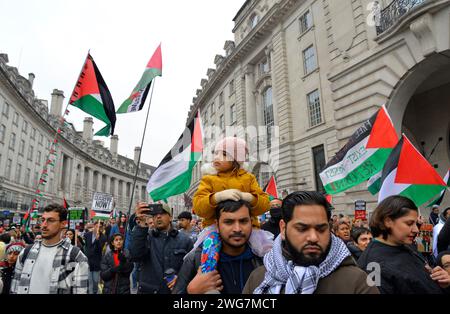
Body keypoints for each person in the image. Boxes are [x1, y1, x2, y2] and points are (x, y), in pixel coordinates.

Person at [244, 191, 379, 294]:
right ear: (283, 229)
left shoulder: (357, 282)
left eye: (321, 229)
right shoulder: (258, 279)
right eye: (302, 229)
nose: (313, 237)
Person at [193, 137, 271, 272]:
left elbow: (265, 205)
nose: (216, 157)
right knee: (206, 259)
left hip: (249, 230)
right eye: (215, 153)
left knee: (266, 259)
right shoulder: (208, 179)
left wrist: (250, 198)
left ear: (235, 159)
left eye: (223, 154)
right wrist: (216, 197)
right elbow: (199, 208)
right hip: (215, 230)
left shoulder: (248, 178)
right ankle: (208, 281)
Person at [358, 195, 449, 294]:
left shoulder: (407, 246)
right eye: (409, 223)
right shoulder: (372, 264)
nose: (416, 230)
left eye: (415, 223)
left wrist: (443, 283)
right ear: (388, 221)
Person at [174, 200, 264, 294]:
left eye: (243, 221)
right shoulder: (195, 259)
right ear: (217, 225)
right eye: (229, 222)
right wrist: (191, 291)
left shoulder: (264, 259)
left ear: (251, 222)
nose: (237, 229)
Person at [10, 204, 89, 294]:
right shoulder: (26, 252)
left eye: (50, 220)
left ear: (63, 224)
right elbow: (15, 288)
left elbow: (80, 291)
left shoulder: (76, 256)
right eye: (43, 220)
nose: (44, 225)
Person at [130, 202, 193, 294]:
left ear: (170, 217)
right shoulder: (146, 237)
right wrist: (142, 224)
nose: (158, 216)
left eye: (162, 213)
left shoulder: (185, 240)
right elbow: (135, 255)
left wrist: (180, 279)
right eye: (155, 214)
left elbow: (192, 269)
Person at [84, 220, 107, 294]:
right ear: (94, 226)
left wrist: (97, 240)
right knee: (89, 280)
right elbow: (87, 247)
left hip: (97, 262)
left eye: (100, 227)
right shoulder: (87, 235)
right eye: (96, 226)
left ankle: (95, 291)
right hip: (88, 261)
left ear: (102, 228)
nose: (98, 228)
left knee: (96, 280)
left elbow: (99, 249)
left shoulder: (103, 237)